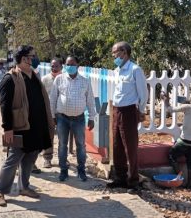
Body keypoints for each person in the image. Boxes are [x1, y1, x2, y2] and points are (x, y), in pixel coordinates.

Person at [0, 45, 53, 207]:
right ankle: (0, 191)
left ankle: (24, 187)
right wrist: (7, 129)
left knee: (30, 158)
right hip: (20, 127)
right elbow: (4, 105)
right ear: (24, 59)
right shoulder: (10, 78)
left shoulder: (34, 76)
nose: (35, 59)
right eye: (32, 56)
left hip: (36, 127)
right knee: (13, 160)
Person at [106, 41, 148, 192]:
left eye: (115, 52)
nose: (113, 56)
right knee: (117, 145)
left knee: (130, 146)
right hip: (117, 110)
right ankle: (120, 178)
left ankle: (133, 181)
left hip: (129, 111)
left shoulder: (135, 70)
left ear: (124, 52)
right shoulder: (117, 70)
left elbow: (143, 93)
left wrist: (141, 110)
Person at [50, 56, 96, 182]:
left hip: (79, 119)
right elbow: (53, 98)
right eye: (67, 64)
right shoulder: (59, 79)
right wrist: (53, 116)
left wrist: (91, 118)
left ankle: (81, 170)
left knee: (81, 145)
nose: (69, 66)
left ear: (78, 66)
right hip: (62, 118)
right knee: (62, 145)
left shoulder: (85, 81)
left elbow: (90, 101)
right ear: (64, 65)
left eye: (72, 64)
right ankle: (63, 170)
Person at [162, 89, 191, 188]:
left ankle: (180, 174)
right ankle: (189, 184)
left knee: (171, 155)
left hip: (184, 140)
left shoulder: (188, 107)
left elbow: (170, 109)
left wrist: (166, 100)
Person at [40, 58, 63, 168]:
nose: (54, 68)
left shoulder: (65, 79)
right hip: (48, 113)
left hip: (62, 113)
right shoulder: (45, 79)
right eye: (52, 66)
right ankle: (47, 159)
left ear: (61, 67)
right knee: (49, 136)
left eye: (56, 66)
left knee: (63, 137)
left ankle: (62, 159)